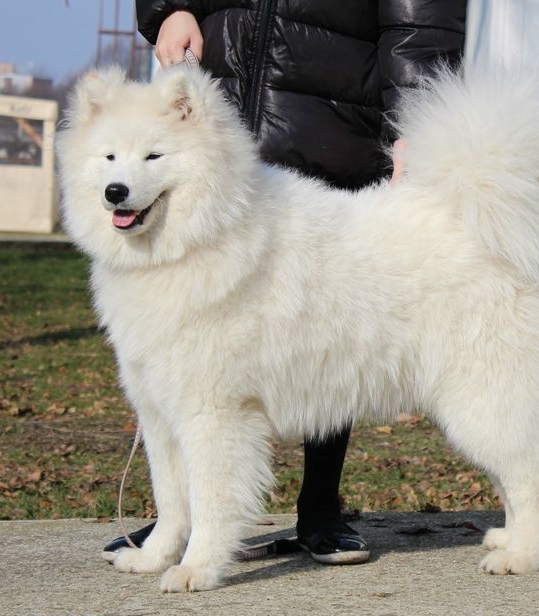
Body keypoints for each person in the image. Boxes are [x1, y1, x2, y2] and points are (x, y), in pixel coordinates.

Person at [105, 0, 466, 565]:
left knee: (327, 335)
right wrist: (170, 9)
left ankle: (320, 509)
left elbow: (418, 20)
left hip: (329, 118)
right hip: (214, 105)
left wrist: (414, 123)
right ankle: (187, 521)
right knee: (193, 366)